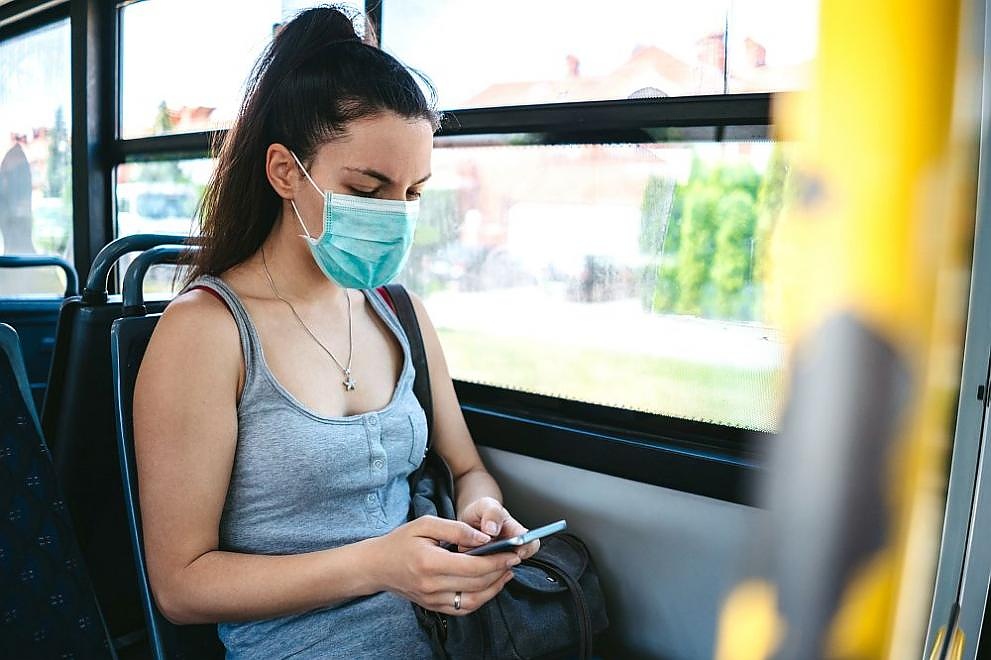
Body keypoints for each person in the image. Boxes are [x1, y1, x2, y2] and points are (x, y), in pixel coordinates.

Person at [133, 6, 538, 659]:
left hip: (442, 639)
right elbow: (180, 587)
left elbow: (468, 469)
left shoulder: (399, 313)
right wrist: (379, 565)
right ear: (285, 172)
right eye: (368, 189)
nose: (395, 217)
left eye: (411, 194)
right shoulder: (206, 333)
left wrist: (480, 516)